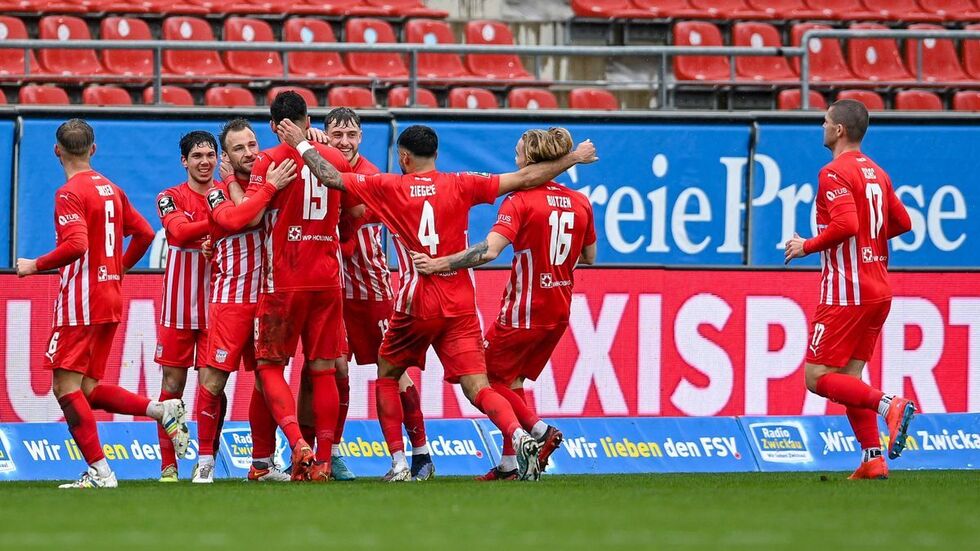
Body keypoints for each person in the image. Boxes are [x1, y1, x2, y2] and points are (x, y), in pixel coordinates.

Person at [273, 120, 597, 481]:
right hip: (460, 304)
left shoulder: (387, 185)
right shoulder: (463, 182)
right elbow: (524, 178)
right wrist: (572, 158)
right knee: (479, 387)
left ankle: (399, 463)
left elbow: (331, 177)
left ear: (404, 157)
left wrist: (301, 144)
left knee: (388, 372)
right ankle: (520, 435)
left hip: (417, 302)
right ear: (437, 154)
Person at [411, 127, 597, 481]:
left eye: (517, 154)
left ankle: (540, 431)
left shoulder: (521, 201)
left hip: (524, 310)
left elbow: (490, 250)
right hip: (559, 309)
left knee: (485, 383)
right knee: (512, 382)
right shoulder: (580, 202)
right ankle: (511, 465)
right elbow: (589, 256)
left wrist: (440, 263)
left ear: (530, 159)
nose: (515, 159)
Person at [16, 118, 189, 488]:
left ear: (57, 150)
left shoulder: (69, 193)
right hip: (109, 298)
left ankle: (101, 472)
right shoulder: (111, 188)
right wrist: (119, 269)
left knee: (65, 388)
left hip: (81, 301)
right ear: (93, 149)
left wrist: (34, 265)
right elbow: (143, 234)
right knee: (88, 389)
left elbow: (76, 244)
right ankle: (160, 409)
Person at [296, 107, 433, 481]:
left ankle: (420, 452)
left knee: (394, 371)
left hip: (371, 288)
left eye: (350, 135)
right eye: (336, 134)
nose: (343, 141)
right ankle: (324, 453)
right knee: (326, 371)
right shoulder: (315, 160)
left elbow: (351, 242)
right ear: (326, 134)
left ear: (361, 138)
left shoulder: (372, 176)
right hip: (330, 289)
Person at [784, 99, 915, 480]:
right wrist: (870, 240)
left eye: (825, 122)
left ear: (838, 130)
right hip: (878, 289)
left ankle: (890, 404)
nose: (822, 127)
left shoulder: (833, 173)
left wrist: (805, 245)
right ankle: (873, 457)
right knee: (849, 378)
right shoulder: (877, 172)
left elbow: (845, 226)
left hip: (846, 290)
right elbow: (902, 222)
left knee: (817, 378)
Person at [249, 91, 354, 482]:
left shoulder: (269, 160)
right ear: (310, 121)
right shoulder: (337, 158)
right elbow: (355, 211)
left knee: (269, 366)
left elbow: (250, 215)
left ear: (274, 126)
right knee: (324, 370)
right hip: (328, 277)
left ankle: (297, 444)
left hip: (285, 278)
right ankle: (324, 461)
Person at [191, 118, 297, 483]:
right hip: (231, 300)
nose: (249, 153)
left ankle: (262, 464)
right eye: (238, 148)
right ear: (227, 156)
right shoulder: (217, 192)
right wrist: (267, 188)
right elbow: (237, 220)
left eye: (252, 144)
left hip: (268, 299)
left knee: (266, 381)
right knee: (214, 380)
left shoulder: (273, 183)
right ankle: (205, 461)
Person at [154, 131, 217, 482]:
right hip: (178, 307)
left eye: (210, 155)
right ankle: (168, 465)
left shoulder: (227, 194)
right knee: (172, 385)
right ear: (184, 161)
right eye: (197, 156)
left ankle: (206, 460)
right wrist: (225, 219)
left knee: (212, 385)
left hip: (217, 305)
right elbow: (177, 233)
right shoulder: (169, 196)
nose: (204, 161)